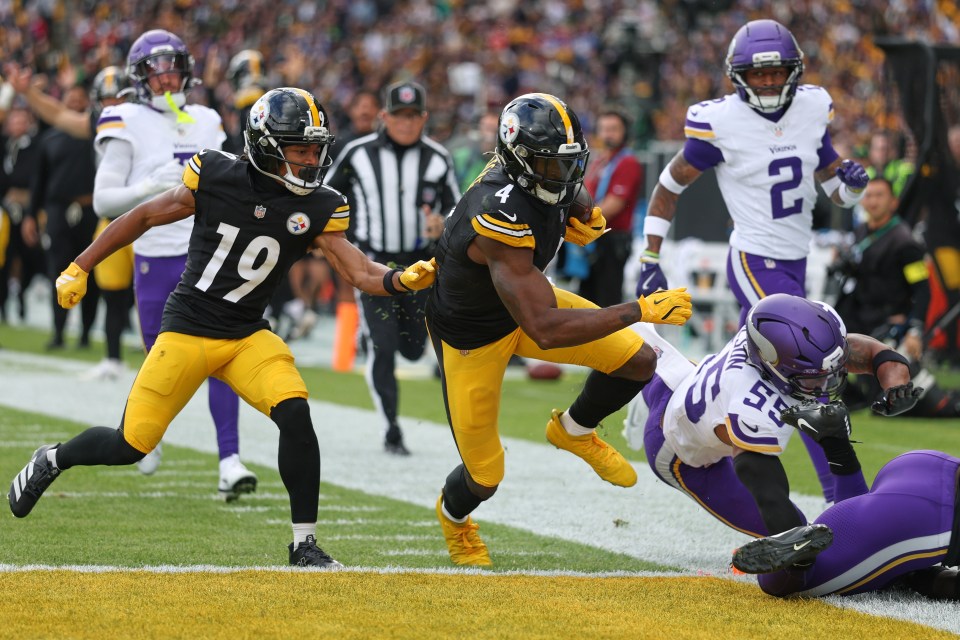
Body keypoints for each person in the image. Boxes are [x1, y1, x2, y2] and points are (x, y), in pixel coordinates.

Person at [6, 86, 439, 567]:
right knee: (130, 444)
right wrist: (81, 265)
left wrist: (401, 280)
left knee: (295, 413)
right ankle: (53, 458)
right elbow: (145, 214)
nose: (311, 160)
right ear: (266, 146)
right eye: (299, 149)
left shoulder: (319, 205)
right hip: (187, 329)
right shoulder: (216, 174)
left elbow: (359, 271)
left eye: (315, 149)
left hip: (247, 335)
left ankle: (304, 545)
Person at [426, 92, 693, 566]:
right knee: (484, 476)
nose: (565, 175)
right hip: (477, 336)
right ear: (519, 161)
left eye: (572, 162)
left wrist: (584, 212)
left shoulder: (549, 177)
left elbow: (574, 188)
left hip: (526, 305)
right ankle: (454, 520)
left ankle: (574, 430)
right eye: (552, 165)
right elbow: (545, 329)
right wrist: (639, 309)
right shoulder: (498, 212)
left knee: (638, 360)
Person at [635, 19, 870, 505]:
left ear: (794, 71)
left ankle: (667, 404)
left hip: (796, 260)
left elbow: (833, 191)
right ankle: (843, 497)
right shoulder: (718, 121)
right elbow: (669, 185)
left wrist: (851, 184)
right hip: (755, 259)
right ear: (737, 75)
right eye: (756, 74)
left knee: (759, 370)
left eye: (775, 72)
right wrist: (650, 253)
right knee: (807, 371)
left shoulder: (811, 108)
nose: (766, 82)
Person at [92, 29, 255, 498]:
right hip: (153, 255)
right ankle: (147, 433)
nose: (167, 79)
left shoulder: (205, 119)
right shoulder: (123, 117)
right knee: (157, 359)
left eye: (173, 69)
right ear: (139, 77)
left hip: (205, 254)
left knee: (221, 357)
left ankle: (230, 460)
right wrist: (147, 189)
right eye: (156, 71)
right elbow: (105, 199)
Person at [625, 293, 920, 541]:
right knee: (802, 535)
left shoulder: (780, 338)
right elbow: (767, 491)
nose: (824, 386)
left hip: (689, 378)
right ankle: (639, 405)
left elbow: (869, 352)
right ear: (774, 367)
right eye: (814, 379)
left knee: (641, 355)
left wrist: (896, 386)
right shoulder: (748, 403)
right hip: (679, 452)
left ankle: (643, 392)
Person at [324, 80, 460, 456]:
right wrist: (337, 245)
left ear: (423, 118)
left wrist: (444, 224)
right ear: (384, 117)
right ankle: (392, 428)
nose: (405, 123)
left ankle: (389, 346)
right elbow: (326, 199)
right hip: (373, 265)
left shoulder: (437, 157)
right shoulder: (357, 153)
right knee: (383, 347)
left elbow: (458, 208)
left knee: (414, 350)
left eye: (412, 116)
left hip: (420, 267)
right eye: (398, 116)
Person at [732, 446, 959, 601]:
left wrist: (913, 576)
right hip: (929, 513)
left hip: (922, 465)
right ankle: (800, 561)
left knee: (868, 535)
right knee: (799, 584)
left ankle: (837, 445)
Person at [832, 178, 960, 417]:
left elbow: (923, 290)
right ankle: (851, 396)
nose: (873, 201)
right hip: (859, 316)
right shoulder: (859, 232)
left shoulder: (905, 242)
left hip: (887, 321)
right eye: (868, 196)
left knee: (887, 404)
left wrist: (914, 330)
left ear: (892, 202)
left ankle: (947, 403)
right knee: (824, 346)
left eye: (879, 195)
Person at [23, 84, 101, 352]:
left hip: (91, 209)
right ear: (63, 103)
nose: (76, 102)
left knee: (90, 271)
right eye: (71, 97)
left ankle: (86, 335)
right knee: (58, 270)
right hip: (58, 210)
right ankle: (58, 332)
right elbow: (39, 181)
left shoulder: (98, 134)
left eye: (81, 98)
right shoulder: (50, 139)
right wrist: (31, 215)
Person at [577, 109, 643, 307]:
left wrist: (579, 220)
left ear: (625, 132)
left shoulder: (628, 162)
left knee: (606, 302)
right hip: (594, 238)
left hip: (612, 240)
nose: (608, 134)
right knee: (586, 300)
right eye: (604, 129)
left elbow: (614, 204)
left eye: (613, 129)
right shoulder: (599, 161)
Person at [864, 131, 914, 198]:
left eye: (886, 148)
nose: (882, 153)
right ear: (871, 152)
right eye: (877, 148)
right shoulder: (865, 174)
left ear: (895, 151)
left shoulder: (906, 170)